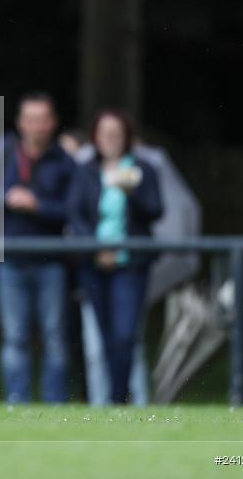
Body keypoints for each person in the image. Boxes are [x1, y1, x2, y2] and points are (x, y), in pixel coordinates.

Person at [0, 92, 75, 403]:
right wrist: (8, 198)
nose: (37, 126)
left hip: (52, 262)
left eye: (42, 120)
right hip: (10, 261)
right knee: (14, 338)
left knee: (55, 339)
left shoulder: (65, 162)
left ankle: (55, 406)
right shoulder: (0, 152)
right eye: (30, 119)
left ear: (53, 123)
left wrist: (37, 206)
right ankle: (17, 404)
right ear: (20, 123)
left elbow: (74, 210)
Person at [67, 110, 163, 404]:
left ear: (127, 137)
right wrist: (97, 248)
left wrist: (131, 191)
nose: (110, 139)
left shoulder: (144, 169)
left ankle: (119, 399)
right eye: (104, 133)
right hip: (93, 265)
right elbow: (75, 214)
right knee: (102, 339)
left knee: (124, 335)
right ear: (95, 137)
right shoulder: (85, 171)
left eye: (116, 133)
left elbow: (156, 210)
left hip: (131, 265)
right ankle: (106, 401)